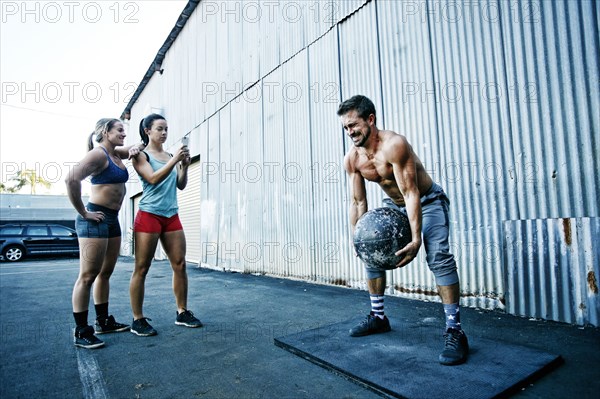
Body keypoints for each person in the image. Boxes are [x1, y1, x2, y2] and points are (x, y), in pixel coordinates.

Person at [339, 95, 468, 365]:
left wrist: (416, 237)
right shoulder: (352, 160)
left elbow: (411, 193)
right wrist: (356, 238)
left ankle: (455, 330)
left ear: (370, 120)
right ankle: (378, 317)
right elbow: (358, 202)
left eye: (354, 125)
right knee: (369, 248)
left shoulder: (394, 145)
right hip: (393, 205)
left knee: (439, 258)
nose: (350, 132)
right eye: (346, 128)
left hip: (428, 201)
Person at [66, 118, 144, 349]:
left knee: (105, 273)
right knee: (88, 275)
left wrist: (138, 146)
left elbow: (131, 150)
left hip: (112, 219)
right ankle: (81, 330)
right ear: (105, 132)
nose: (123, 134)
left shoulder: (116, 152)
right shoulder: (99, 154)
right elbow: (71, 178)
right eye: (119, 130)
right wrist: (84, 212)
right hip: (95, 218)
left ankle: (103, 321)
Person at [129, 113, 202, 336]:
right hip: (149, 214)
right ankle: (137, 319)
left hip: (171, 214)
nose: (164, 133)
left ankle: (182, 312)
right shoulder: (140, 156)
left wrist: (185, 166)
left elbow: (180, 185)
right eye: (159, 128)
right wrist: (174, 161)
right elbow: (152, 179)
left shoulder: (171, 155)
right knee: (142, 268)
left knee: (179, 264)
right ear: (147, 131)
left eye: (166, 129)